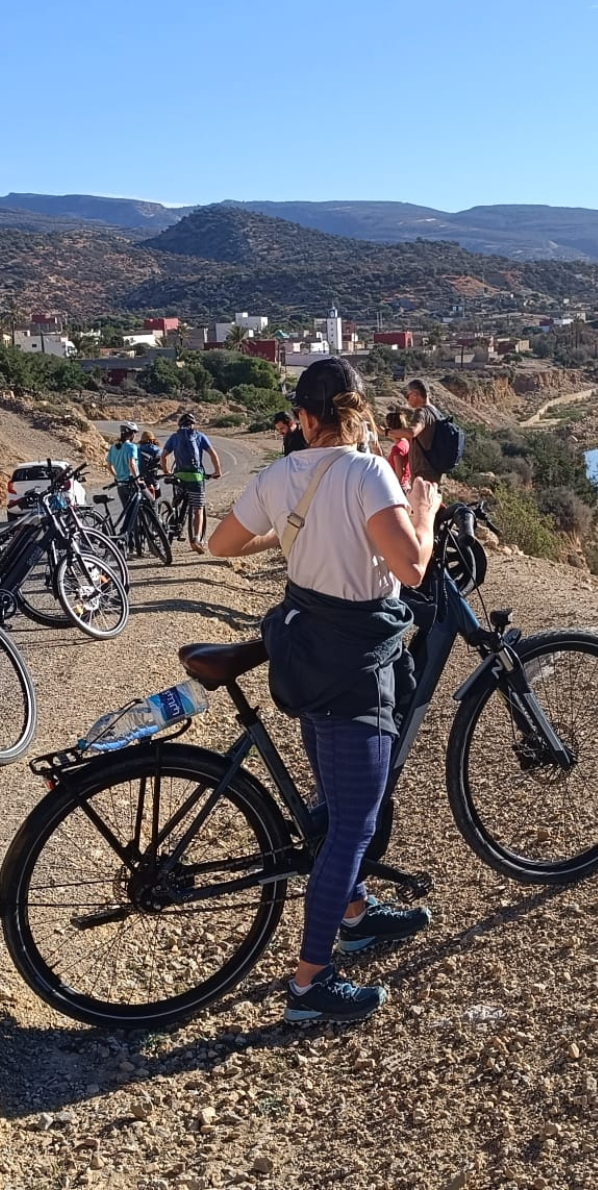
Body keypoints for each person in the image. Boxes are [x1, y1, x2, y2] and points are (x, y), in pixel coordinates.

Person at [209, 357, 441, 1024]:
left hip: (306, 656)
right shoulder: (368, 472)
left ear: (305, 419)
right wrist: (422, 509)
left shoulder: (282, 473)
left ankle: (355, 909)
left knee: (339, 799)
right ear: (357, 413)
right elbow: (411, 566)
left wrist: (282, 534)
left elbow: (222, 545)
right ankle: (311, 980)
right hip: (352, 668)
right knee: (353, 824)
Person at [160, 412, 222, 553]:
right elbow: (213, 454)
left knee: (178, 499)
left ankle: (174, 516)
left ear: (180, 425)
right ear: (193, 425)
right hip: (196, 477)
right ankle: (196, 538)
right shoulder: (200, 436)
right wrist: (217, 471)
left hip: (179, 476)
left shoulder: (175, 437)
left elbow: (163, 456)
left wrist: (166, 471)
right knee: (198, 509)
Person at [386, 378, 443, 485]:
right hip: (435, 467)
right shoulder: (435, 412)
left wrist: (388, 433)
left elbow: (412, 432)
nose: (407, 399)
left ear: (415, 394)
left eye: (408, 396)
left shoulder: (422, 411)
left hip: (423, 470)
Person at [106, 422, 140, 505]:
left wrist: (117, 476)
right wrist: (138, 480)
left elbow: (109, 466)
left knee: (128, 511)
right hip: (131, 483)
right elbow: (131, 464)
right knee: (148, 501)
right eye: (134, 433)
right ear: (131, 434)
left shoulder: (113, 447)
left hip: (120, 485)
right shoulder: (131, 447)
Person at [385, 409, 411, 492]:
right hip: (406, 485)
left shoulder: (397, 449)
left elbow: (399, 473)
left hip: (399, 488)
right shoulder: (406, 442)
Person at [137, 430, 162, 499]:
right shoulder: (155, 449)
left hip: (138, 477)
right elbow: (161, 461)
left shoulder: (138, 449)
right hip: (150, 477)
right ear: (152, 440)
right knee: (157, 494)